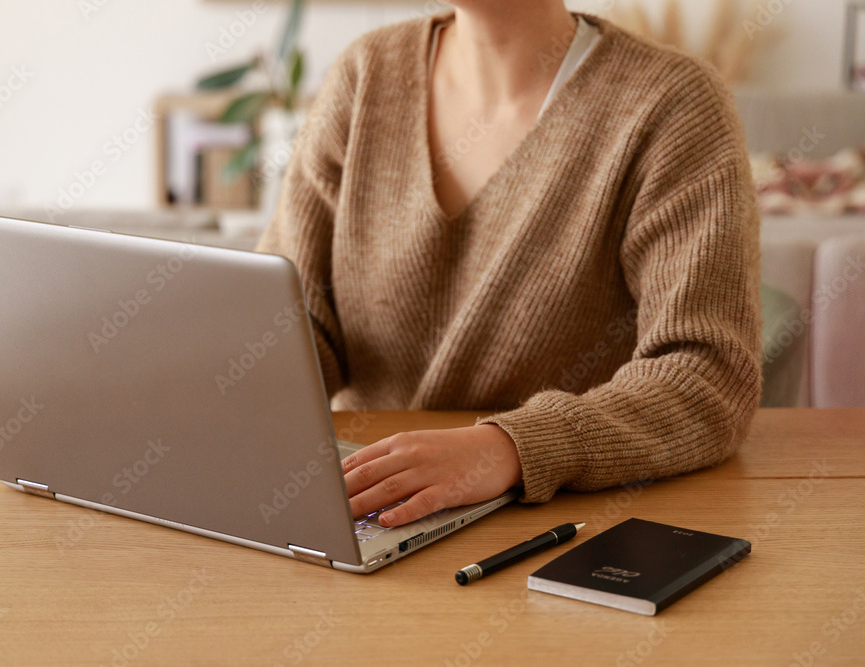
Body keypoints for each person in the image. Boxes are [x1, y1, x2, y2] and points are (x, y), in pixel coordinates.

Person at [256, 0, 762, 529]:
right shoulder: (366, 73)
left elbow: (709, 375)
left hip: (559, 526)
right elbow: (289, 321)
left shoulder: (673, 104)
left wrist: (508, 448)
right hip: (363, 508)